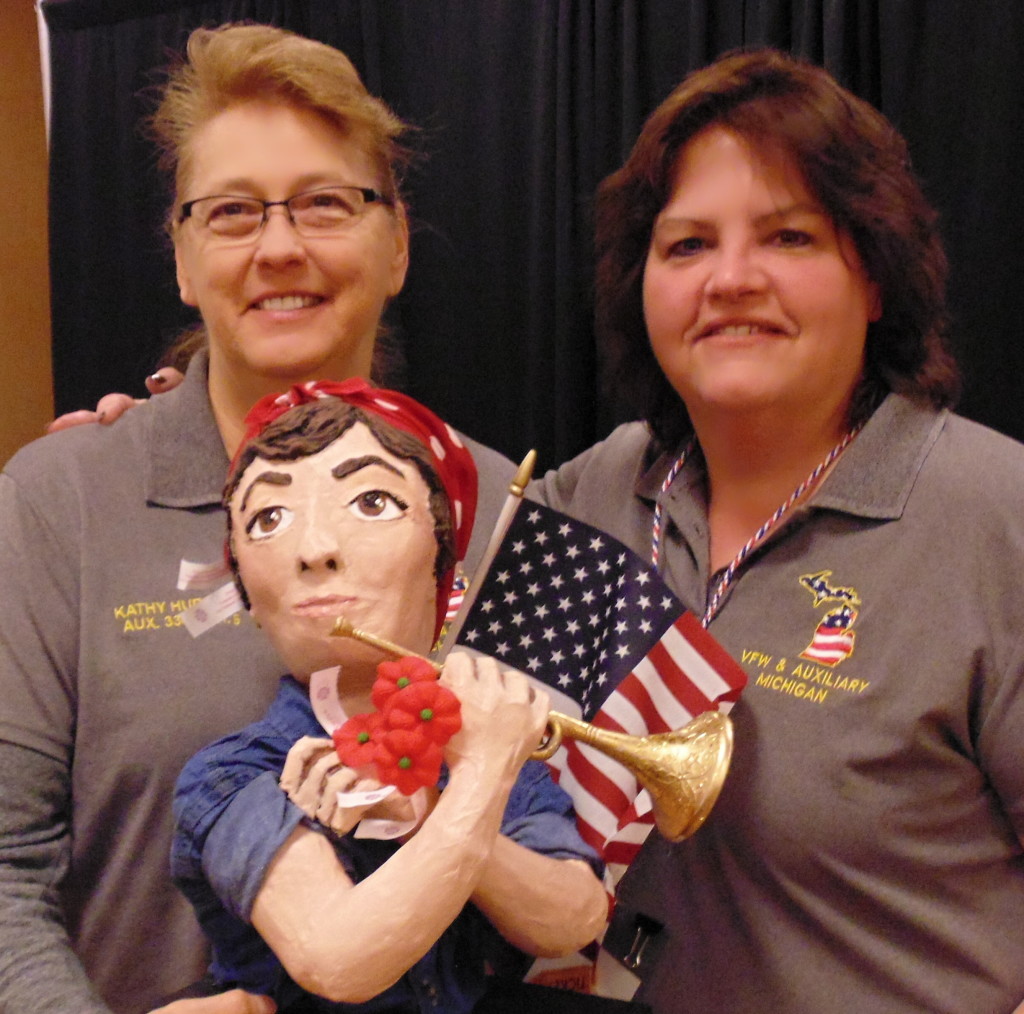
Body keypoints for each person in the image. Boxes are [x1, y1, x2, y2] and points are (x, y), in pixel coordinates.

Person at [0, 24, 513, 1014]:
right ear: (185, 259)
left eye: (326, 203)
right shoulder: (61, 502)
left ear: (397, 241)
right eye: (232, 213)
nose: (281, 247)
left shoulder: (493, 508)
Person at [533, 48, 1024, 1013]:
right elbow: (394, 517)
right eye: (686, 246)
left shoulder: (996, 515)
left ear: (875, 276)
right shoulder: (598, 491)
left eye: (789, 237)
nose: (731, 279)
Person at [171, 380, 606, 1012]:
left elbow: (575, 918)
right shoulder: (234, 776)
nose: (316, 550)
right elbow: (336, 957)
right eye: (270, 519)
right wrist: (480, 783)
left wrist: (439, 811)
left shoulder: (478, 748)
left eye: (372, 501)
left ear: (441, 562)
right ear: (244, 587)